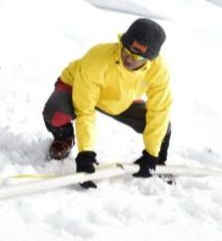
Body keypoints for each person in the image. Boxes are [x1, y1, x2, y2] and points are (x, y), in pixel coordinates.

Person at [41, 18, 172, 186]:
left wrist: (151, 154)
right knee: (55, 114)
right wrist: (85, 154)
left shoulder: (159, 71)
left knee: (163, 127)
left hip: (119, 98)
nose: (128, 58)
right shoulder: (97, 59)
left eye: (136, 56)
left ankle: (157, 162)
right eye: (126, 49)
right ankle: (64, 138)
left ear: (149, 59)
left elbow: (159, 110)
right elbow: (85, 110)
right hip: (77, 86)